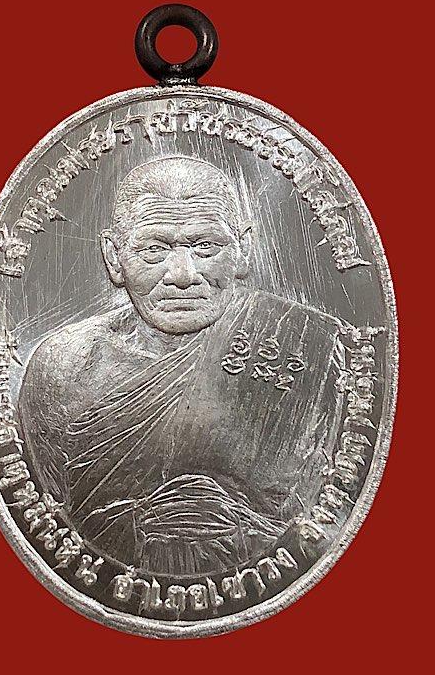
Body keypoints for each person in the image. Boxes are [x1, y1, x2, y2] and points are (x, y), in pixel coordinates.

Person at [19, 156, 345, 577]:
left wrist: (226, 523)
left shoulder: (302, 344)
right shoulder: (63, 369)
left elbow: (320, 517)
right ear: (114, 257)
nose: (183, 275)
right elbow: (54, 516)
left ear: (243, 249)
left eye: (206, 246)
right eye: (154, 249)